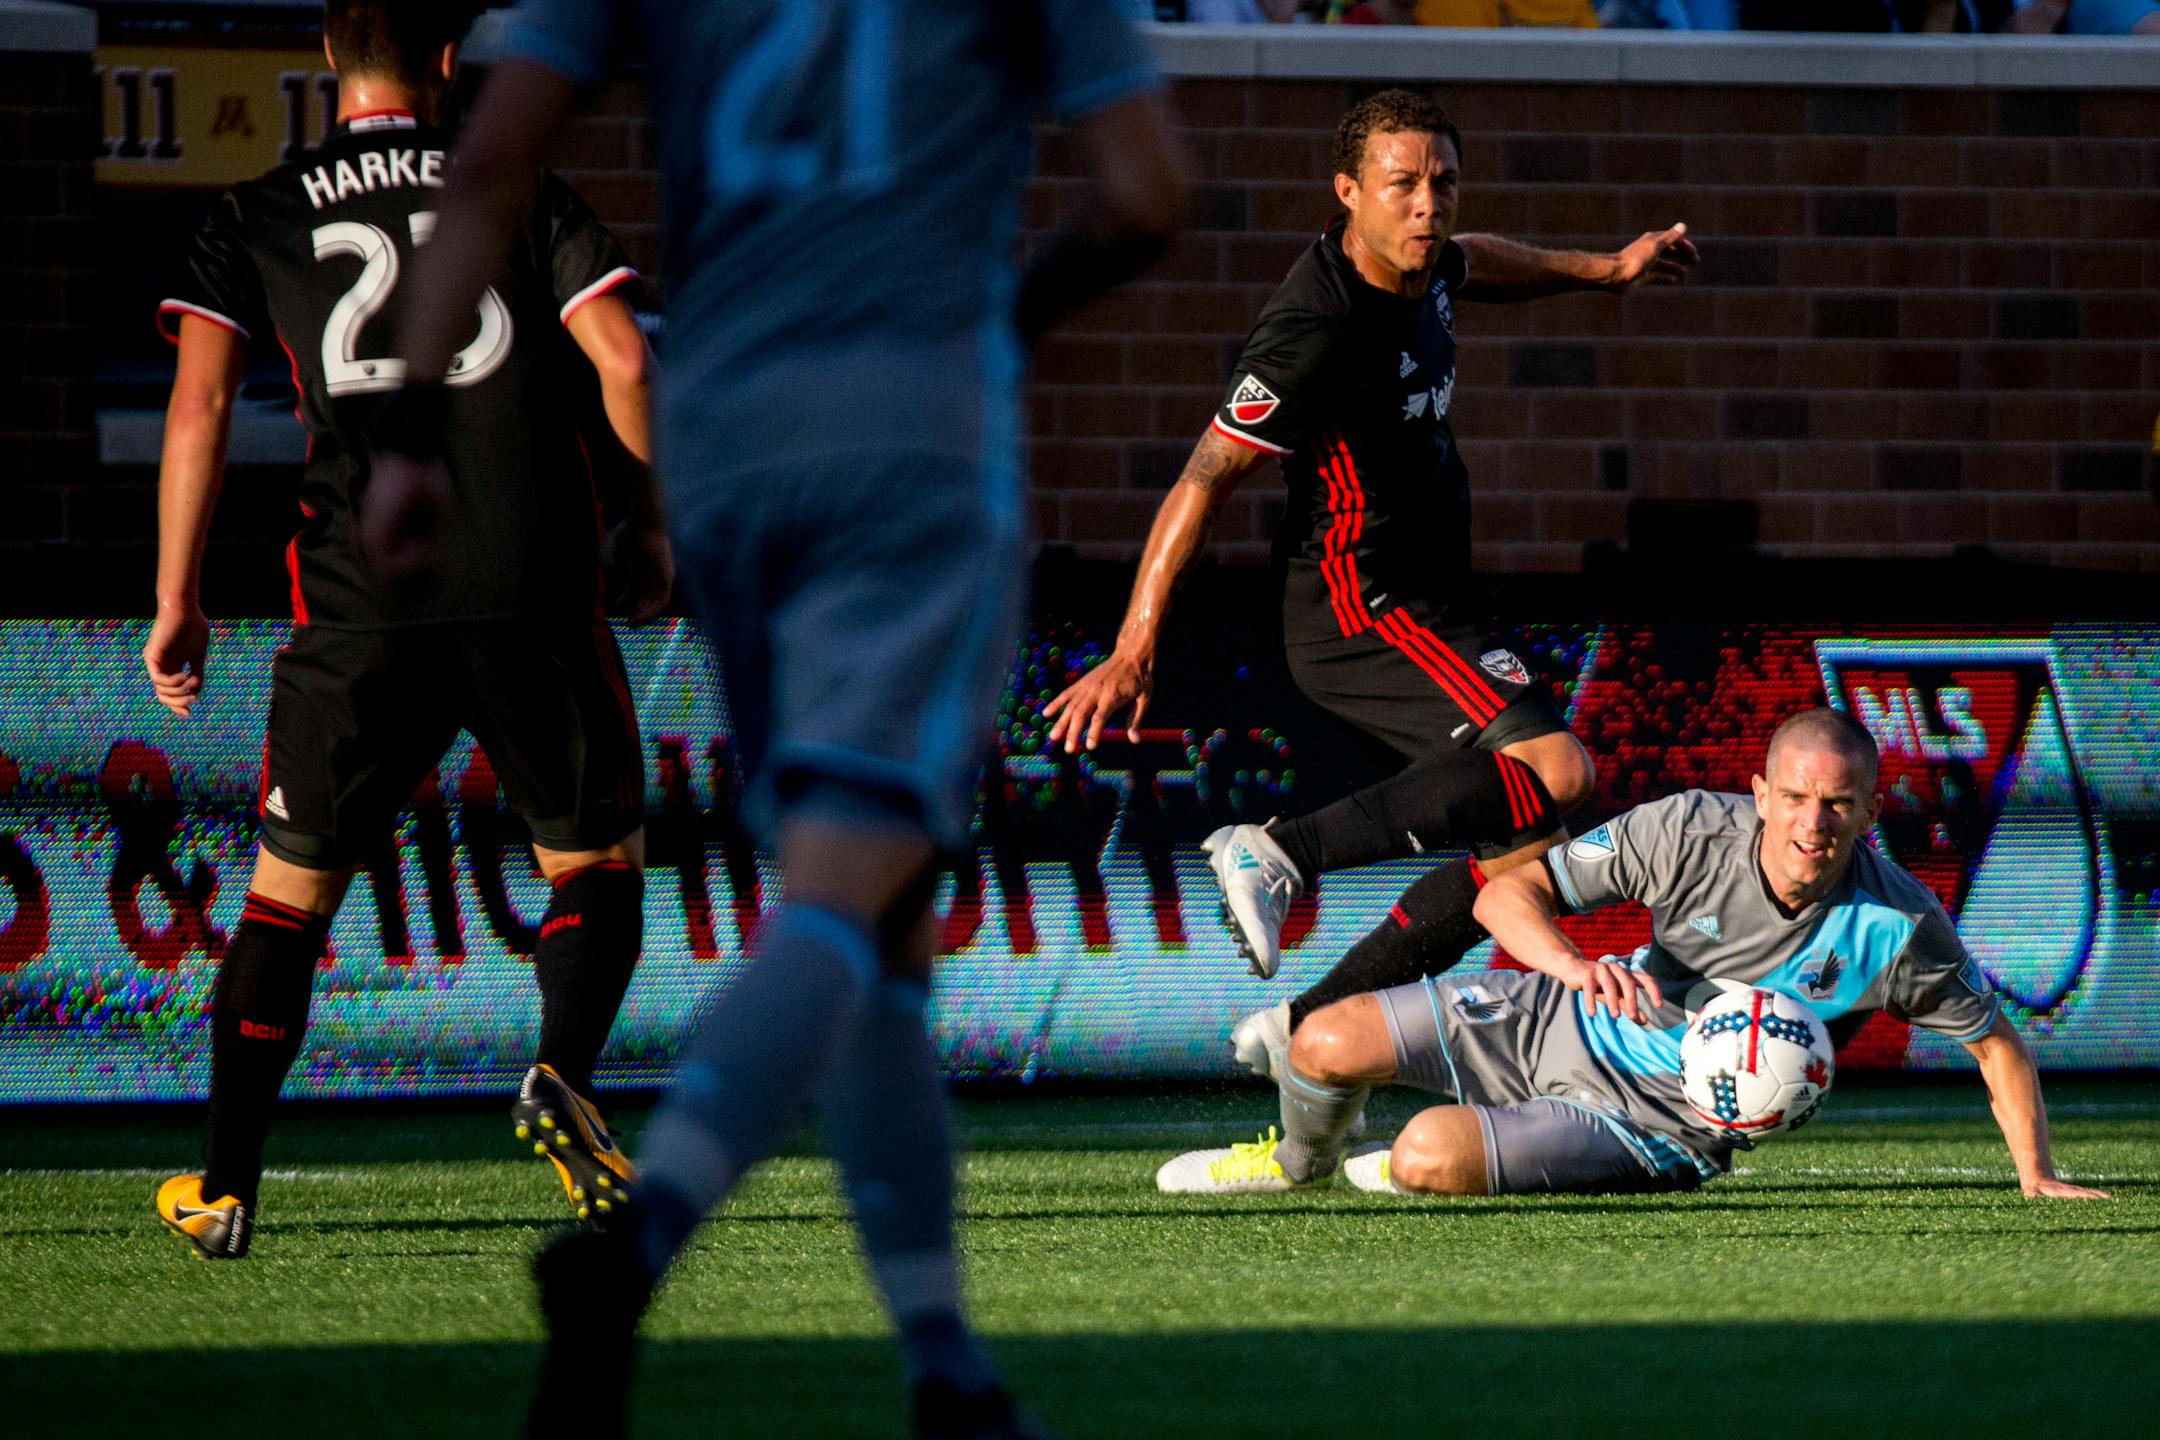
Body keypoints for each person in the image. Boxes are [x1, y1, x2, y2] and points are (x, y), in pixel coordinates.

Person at [367, 1, 1187, 1435]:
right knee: (845, 889)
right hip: (910, 442)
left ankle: (946, 1369)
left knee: (878, 932)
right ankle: (633, 1244)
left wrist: (409, 432)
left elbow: (489, 156)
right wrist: (1001, 312)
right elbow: (1146, 193)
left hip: (728, 449)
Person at [1044, 89, 1697, 1106]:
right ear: (1348, 192)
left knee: (1517, 870)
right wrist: (1135, 649)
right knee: (1558, 768)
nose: (1427, 205)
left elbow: (1479, 258)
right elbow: (1203, 476)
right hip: (1362, 608)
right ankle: (1274, 851)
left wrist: (1608, 271)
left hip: (1429, 599)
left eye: (1441, 182)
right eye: (1402, 186)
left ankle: (1299, 1037)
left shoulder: (1428, 262)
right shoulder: (1312, 327)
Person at [147, 0, 671, 1260]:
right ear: (449, 61)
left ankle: (224, 1187)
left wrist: (178, 598)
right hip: (528, 582)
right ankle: (560, 1072)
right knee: (594, 866)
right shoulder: (519, 186)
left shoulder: (255, 212)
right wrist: (650, 520)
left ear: (328, 60)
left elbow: (198, 409)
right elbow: (629, 364)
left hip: (358, 597)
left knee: (289, 900)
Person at [1158, 709, 2113, 1202]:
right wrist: (1574, 967)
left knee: (1423, 1155)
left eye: (1838, 806)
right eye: (1794, 797)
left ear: (1869, 812)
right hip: (1570, 1015)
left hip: (1663, 1121)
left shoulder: (1898, 926)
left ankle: (1479, 1146)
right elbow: (1502, 892)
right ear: (1761, 791)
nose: (1812, 823)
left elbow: (1996, 1044)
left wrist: (2034, 1170)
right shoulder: (1690, 828)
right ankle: (1297, 1166)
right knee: (1321, 1040)